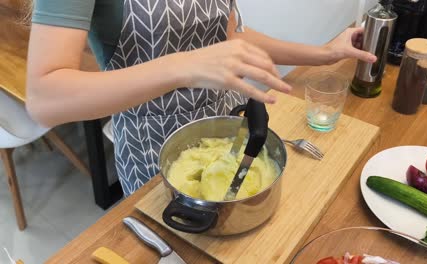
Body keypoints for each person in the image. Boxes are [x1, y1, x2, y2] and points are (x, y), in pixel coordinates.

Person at [26, 0, 376, 196]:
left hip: (225, 134)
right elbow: (45, 98)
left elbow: (226, 35)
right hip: (151, 150)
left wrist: (324, 53)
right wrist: (183, 66)